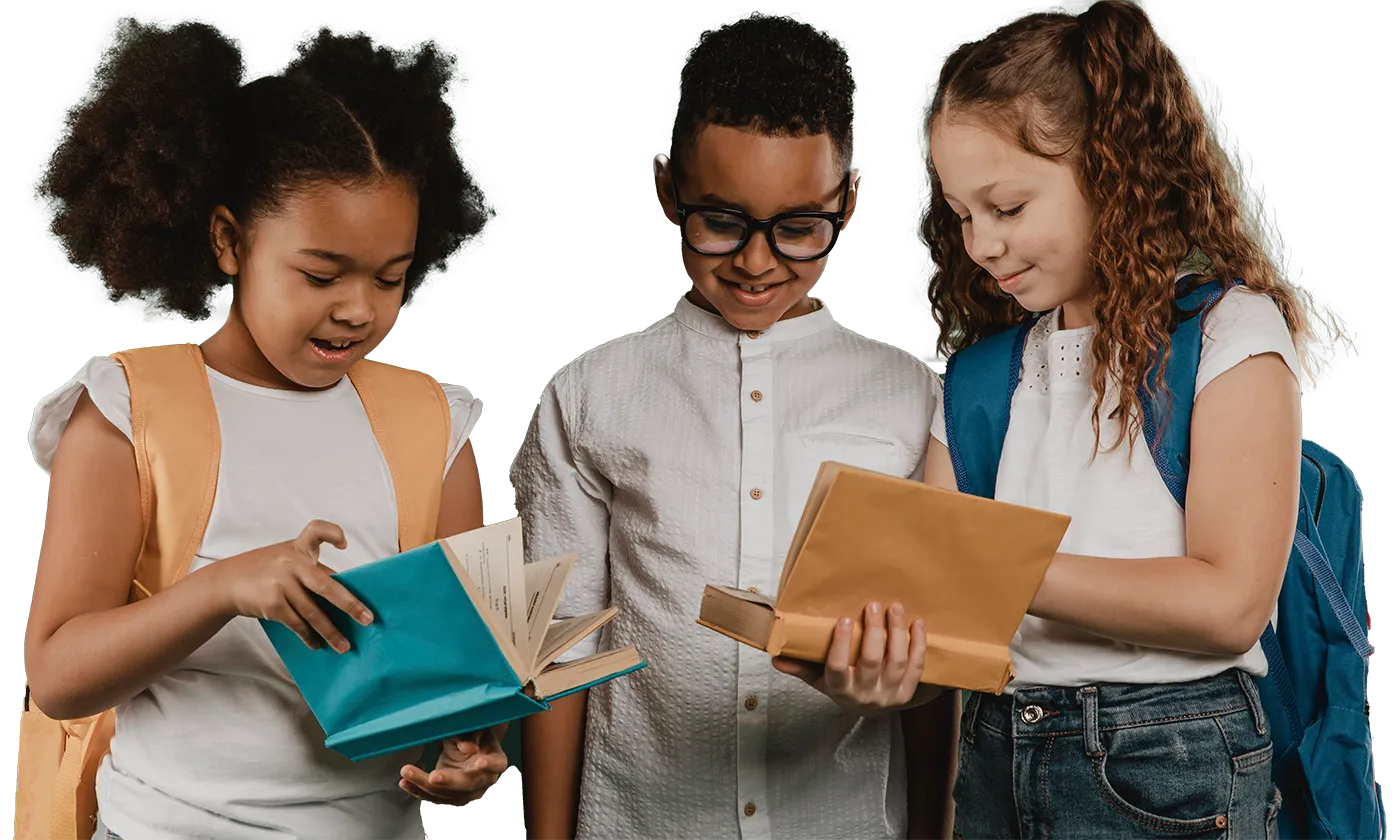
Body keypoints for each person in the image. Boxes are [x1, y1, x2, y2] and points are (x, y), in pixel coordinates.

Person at [24, 20, 505, 840]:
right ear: (228, 241)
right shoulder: (125, 412)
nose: (358, 309)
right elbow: (58, 678)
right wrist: (222, 589)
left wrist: (468, 749)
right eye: (321, 274)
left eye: (392, 279)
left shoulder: (434, 428)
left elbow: (459, 683)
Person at [513, 12, 958, 840]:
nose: (757, 262)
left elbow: (935, 671)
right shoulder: (589, 395)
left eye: (798, 228)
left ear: (849, 202)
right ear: (666, 188)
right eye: (720, 221)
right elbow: (560, 650)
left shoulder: (913, 400)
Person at [919, 1, 1337, 835]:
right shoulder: (977, 382)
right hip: (997, 750)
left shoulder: (1231, 337)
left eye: (1006, 207)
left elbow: (1230, 603)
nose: (980, 246)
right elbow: (939, 612)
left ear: (1113, 169)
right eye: (962, 215)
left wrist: (1000, 570)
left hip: (1167, 763)